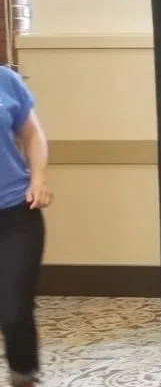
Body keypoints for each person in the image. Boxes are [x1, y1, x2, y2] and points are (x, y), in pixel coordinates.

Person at [0, 67, 50, 387]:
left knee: (15, 307)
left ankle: (23, 377)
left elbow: (32, 134)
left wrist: (38, 178)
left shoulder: (5, 80)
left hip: (16, 212)